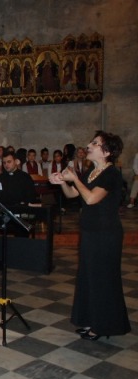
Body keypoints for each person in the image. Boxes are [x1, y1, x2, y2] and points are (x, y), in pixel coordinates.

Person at [49, 131, 131, 340]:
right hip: (90, 232)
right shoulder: (91, 172)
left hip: (106, 234)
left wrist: (75, 178)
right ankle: (91, 320)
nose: (89, 145)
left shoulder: (111, 174)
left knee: (103, 279)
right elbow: (73, 194)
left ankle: (104, 326)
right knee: (89, 277)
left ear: (106, 152)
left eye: (95, 143)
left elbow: (92, 199)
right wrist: (62, 182)